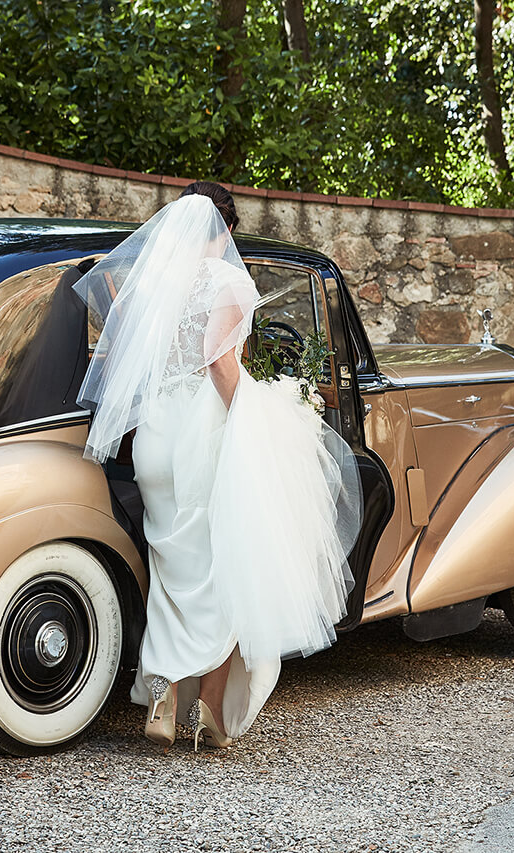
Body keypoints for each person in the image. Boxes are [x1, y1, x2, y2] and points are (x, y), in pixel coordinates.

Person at [72, 182, 361, 750]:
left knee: (171, 575)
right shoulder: (227, 280)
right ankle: (206, 710)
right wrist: (259, 416)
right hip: (203, 438)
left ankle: (161, 700)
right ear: (226, 230)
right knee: (228, 570)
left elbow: (131, 362)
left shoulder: (153, 284)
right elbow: (220, 364)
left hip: (155, 441)